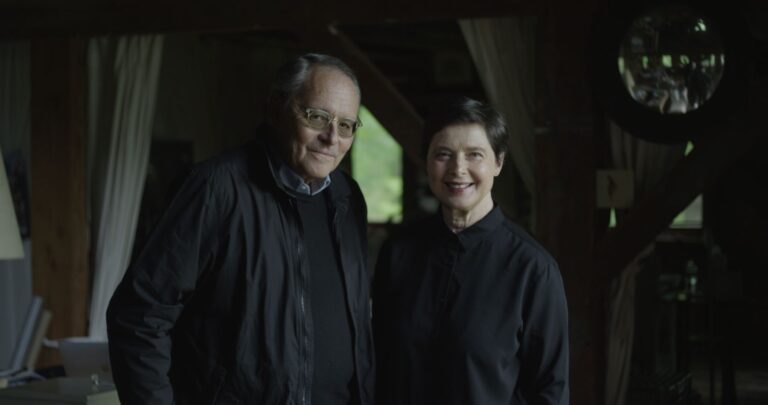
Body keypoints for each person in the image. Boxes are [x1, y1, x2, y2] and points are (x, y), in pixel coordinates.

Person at [107, 53, 374, 405]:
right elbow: (140, 315)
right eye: (317, 116)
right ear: (277, 108)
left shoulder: (347, 197)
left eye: (345, 125)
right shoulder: (214, 189)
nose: (331, 137)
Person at [373, 96, 569, 404]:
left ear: (499, 162)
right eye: (443, 154)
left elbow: (550, 391)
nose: (458, 169)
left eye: (474, 155)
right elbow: (378, 364)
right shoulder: (397, 252)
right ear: (426, 160)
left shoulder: (533, 269)